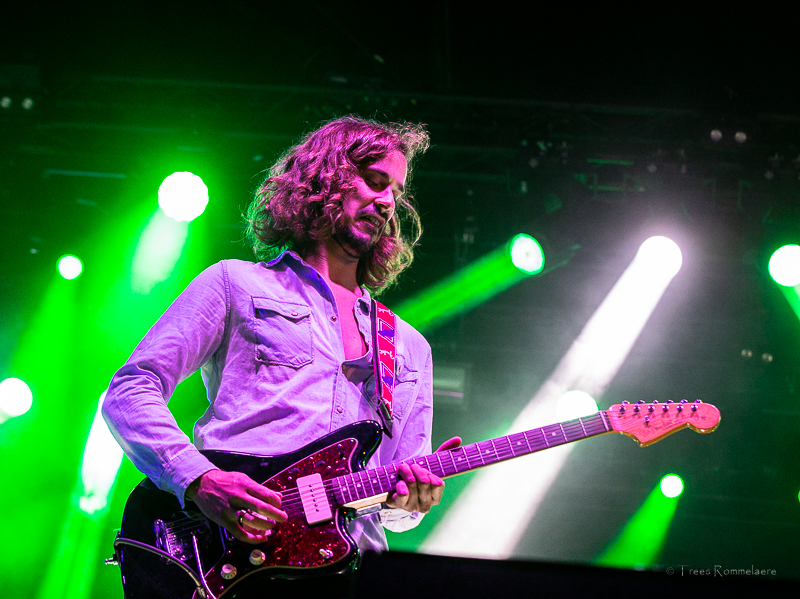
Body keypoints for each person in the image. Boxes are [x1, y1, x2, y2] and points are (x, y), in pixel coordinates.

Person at [102, 116, 459, 590]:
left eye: (395, 191)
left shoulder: (410, 347)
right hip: (226, 556)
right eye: (375, 181)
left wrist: (409, 501)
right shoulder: (236, 283)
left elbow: (398, 505)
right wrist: (199, 479)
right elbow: (130, 391)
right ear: (326, 178)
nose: (387, 201)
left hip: (351, 570)